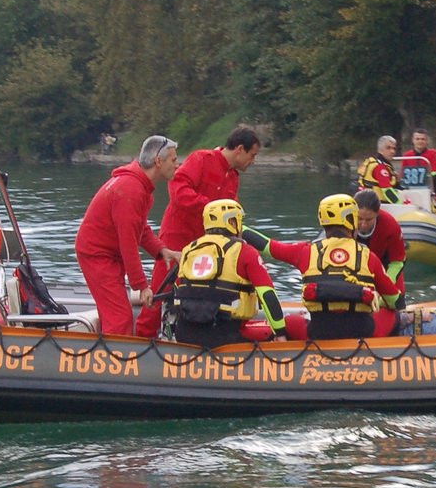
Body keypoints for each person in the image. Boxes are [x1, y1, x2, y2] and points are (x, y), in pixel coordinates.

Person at [137, 126, 262, 338]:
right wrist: (212, 207)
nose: (253, 161)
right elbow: (178, 191)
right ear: (240, 149)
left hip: (208, 246)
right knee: (160, 290)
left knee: (212, 290)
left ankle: (208, 335)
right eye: (252, 155)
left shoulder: (232, 177)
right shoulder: (202, 159)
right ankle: (142, 338)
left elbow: (232, 214)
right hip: (177, 238)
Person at [74, 135, 184, 336]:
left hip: (108, 254)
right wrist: (142, 286)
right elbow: (128, 244)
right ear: (159, 161)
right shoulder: (131, 190)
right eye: (173, 160)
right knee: (120, 317)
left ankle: (107, 352)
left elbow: (139, 228)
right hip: (97, 255)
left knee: (114, 313)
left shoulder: (140, 187)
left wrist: (161, 250)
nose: (177, 164)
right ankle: (115, 362)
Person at [263, 193, 402, 340]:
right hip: (362, 331)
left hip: (319, 332)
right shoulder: (368, 257)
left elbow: (268, 247)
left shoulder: (305, 252)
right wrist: (374, 301)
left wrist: (239, 228)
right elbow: (395, 300)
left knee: (288, 322)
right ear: (351, 220)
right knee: (392, 313)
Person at [163, 198, 287, 348]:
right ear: (233, 223)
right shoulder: (246, 252)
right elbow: (267, 295)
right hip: (223, 335)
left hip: (185, 333)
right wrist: (280, 334)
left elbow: (175, 294)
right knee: (290, 326)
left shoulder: (189, 249)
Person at [354, 189, 407, 308]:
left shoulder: (390, 225)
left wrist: (384, 286)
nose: (363, 224)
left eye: (368, 220)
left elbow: (397, 262)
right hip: (356, 267)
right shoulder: (345, 223)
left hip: (386, 266)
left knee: (396, 303)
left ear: (377, 214)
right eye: (359, 219)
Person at [400, 128, 436, 197]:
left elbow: (435, 174)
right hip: (411, 191)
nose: (420, 141)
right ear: (413, 140)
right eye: (417, 139)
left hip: (430, 191)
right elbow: (403, 176)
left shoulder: (434, 154)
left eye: (423, 139)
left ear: (427, 141)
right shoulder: (407, 155)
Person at [357, 135, 400, 202]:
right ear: (380, 150)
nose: (392, 151)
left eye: (394, 148)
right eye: (388, 148)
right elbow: (388, 192)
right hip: (376, 206)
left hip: (367, 203)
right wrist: (402, 204)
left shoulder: (381, 165)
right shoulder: (380, 168)